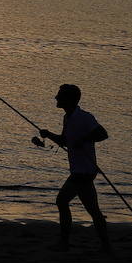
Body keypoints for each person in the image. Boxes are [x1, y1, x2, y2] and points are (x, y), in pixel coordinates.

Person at [38, 83, 111, 252]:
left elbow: (102, 134)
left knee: (61, 201)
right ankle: (106, 246)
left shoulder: (85, 117)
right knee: (93, 211)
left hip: (84, 171)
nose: (56, 98)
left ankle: (64, 243)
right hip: (81, 171)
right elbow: (65, 141)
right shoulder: (67, 117)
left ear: (69, 99)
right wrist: (48, 134)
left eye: (60, 96)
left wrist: (83, 140)